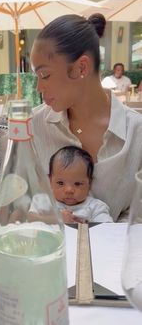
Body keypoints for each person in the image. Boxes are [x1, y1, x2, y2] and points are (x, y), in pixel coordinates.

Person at [29, 13, 142, 222]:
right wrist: (53, 219)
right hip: (48, 249)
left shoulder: (137, 131)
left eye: (44, 75)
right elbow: (10, 206)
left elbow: (137, 219)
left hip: (116, 252)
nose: (38, 87)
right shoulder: (32, 126)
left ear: (82, 67)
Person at [30, 146, 112, 223]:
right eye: (60, 183)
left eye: (77, 184)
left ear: (89, 183)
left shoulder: (95, 207)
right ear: (50, 181)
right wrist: (57, 219)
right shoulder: (42, 201)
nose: (69, 190)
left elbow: (107, 229)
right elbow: (28, 219)